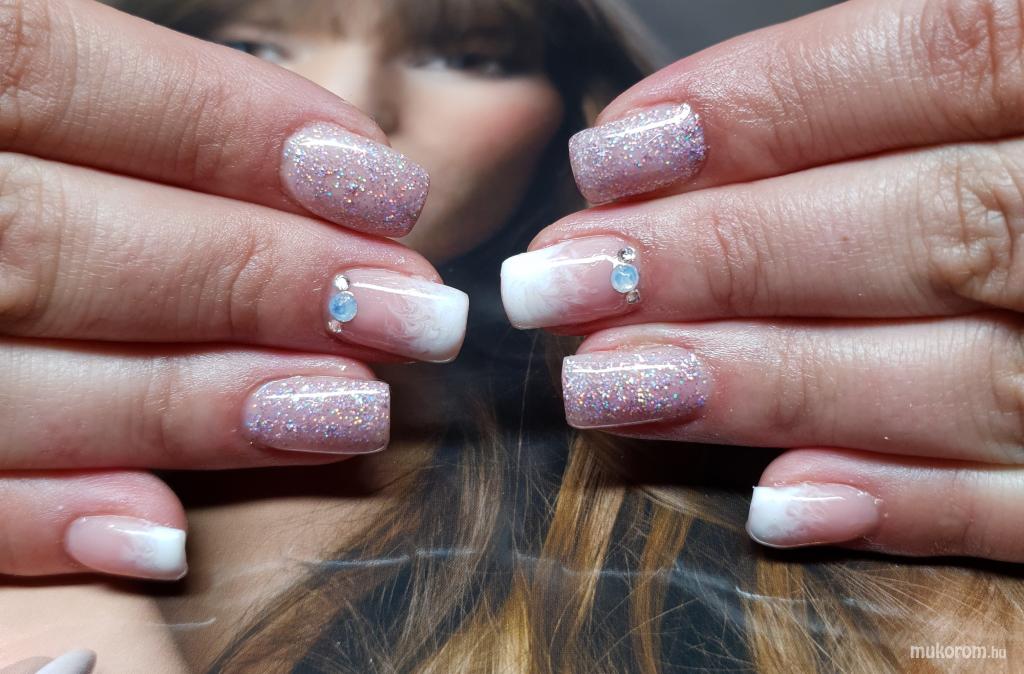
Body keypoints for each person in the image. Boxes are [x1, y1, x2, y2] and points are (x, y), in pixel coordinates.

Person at [2, 0, 1023, 671]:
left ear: (572, 116)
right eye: (252, 45)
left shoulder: (802, 455)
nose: (356, 109)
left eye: (469, 54)